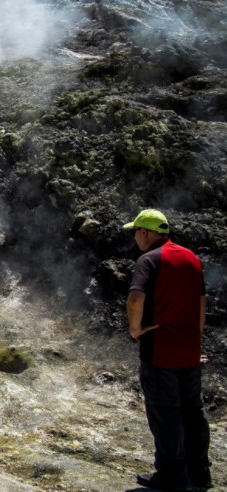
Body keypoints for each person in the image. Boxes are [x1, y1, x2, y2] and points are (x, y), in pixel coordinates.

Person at [123, 209, 212, 491]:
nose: (135, 237)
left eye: (136, 231)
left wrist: (135, 329)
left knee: (165, 413)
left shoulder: (149, 259)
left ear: (145, 232)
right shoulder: (191, 258)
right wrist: (194, 339)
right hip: (189, 350)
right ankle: (199, 474)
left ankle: (171, 476)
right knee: (192, 411)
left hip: (160, 350)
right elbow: (201, 302)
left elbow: (136, 296)